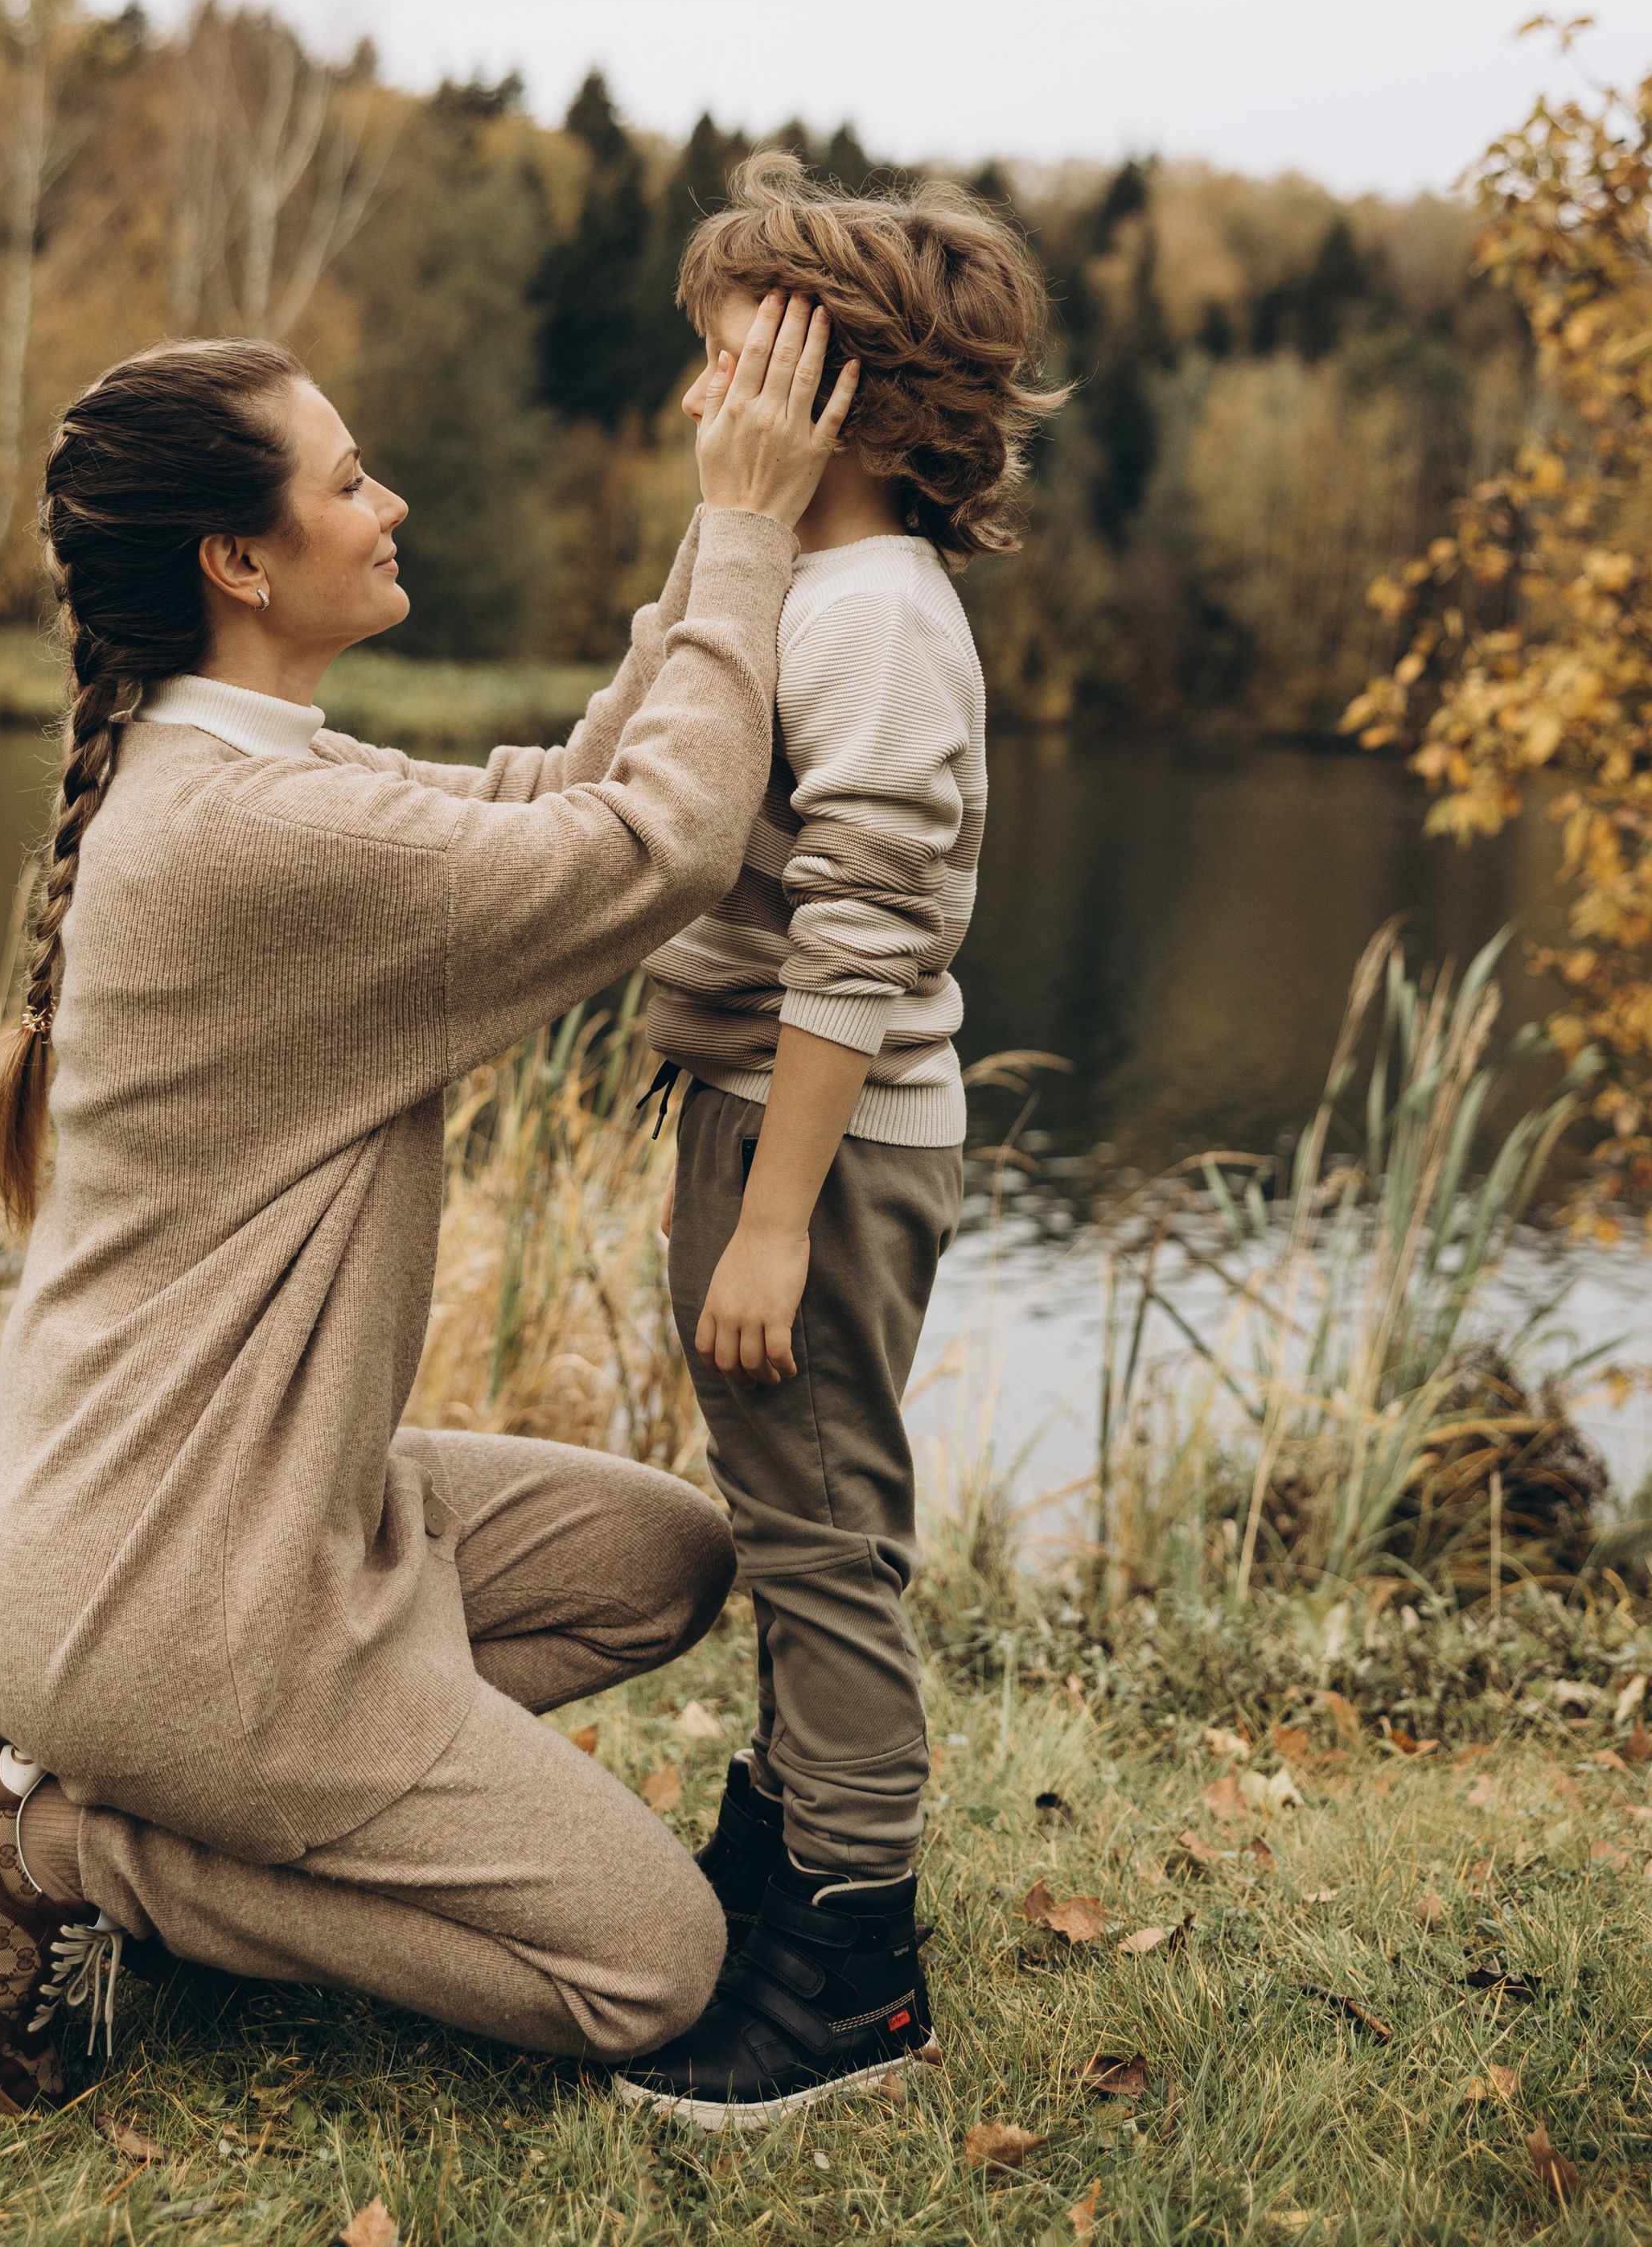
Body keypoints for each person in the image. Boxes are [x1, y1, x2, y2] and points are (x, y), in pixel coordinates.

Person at [0, 300, 857, 2113]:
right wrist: (743, 532)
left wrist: (721, 521)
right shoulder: (247, 836)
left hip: (239, 1530)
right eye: (349, 482)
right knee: (648, 1965)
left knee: (662, 1564)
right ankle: (69, 1853)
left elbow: (573, 795)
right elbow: (659, 846)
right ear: (241, 560)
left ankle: (237, 1783)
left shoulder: (258, 776)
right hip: (173, 1602)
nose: (390, 502)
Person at [611, 154, 1061, 2126]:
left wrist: (775, 1217)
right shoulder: (804, 585)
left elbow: (864, 924)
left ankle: (851, 1972)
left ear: (840, 402)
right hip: (773, 1127)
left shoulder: (872, 613)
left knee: (817, 1549)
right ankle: (780, 1870)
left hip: (821, 1144)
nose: (693, 401)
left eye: (730, 364)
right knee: (807, 1517)